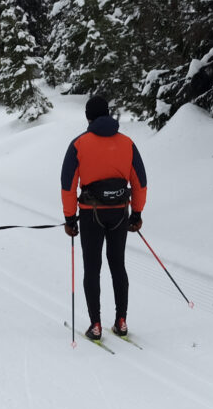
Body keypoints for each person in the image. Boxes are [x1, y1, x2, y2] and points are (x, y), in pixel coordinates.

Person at [61, 92, 148, 340]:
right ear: (108, 114)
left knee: (92, 268)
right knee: (117, 265)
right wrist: (137, 213)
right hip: (119, 212)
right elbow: (140, 182)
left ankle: (95, 325)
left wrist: (70, 219)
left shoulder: (79, 144)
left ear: (88, 117)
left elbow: (68, 185)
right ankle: (121, 321)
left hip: (91, 214)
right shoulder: (127, 143)